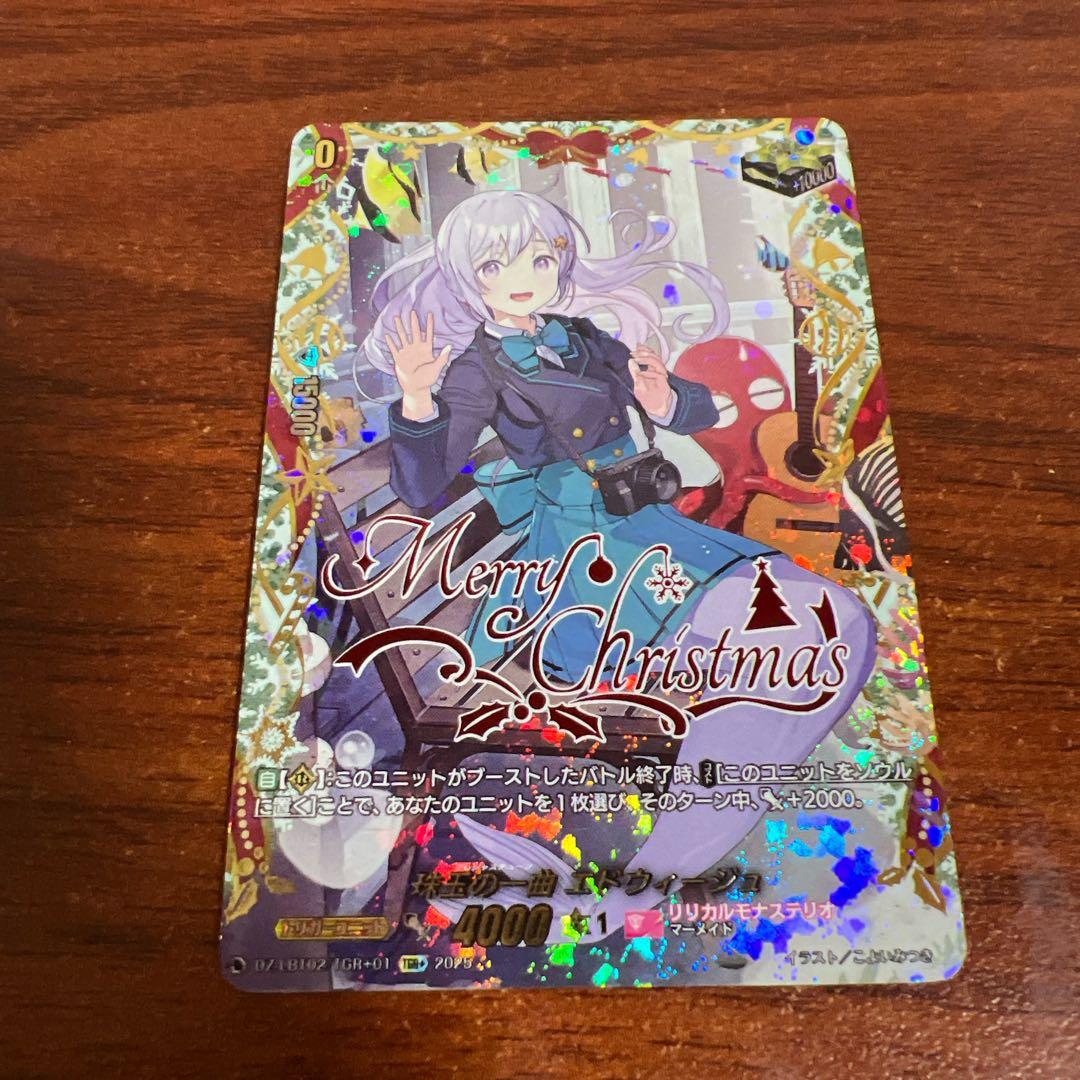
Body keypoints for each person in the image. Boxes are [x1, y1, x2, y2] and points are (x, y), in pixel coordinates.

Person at [359, 189, 876, 940]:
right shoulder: (475, 369)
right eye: (497, 265)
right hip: (583, 558)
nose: (524, 277)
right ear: (469, 276)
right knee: (812, 633)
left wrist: (665, 399)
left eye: (541, 259)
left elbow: (691, 410)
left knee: (837, 623)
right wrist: (414, 398)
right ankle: (654, 877)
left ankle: (652, 873)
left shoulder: (582, 336)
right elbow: (422, 485)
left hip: (648, 525)